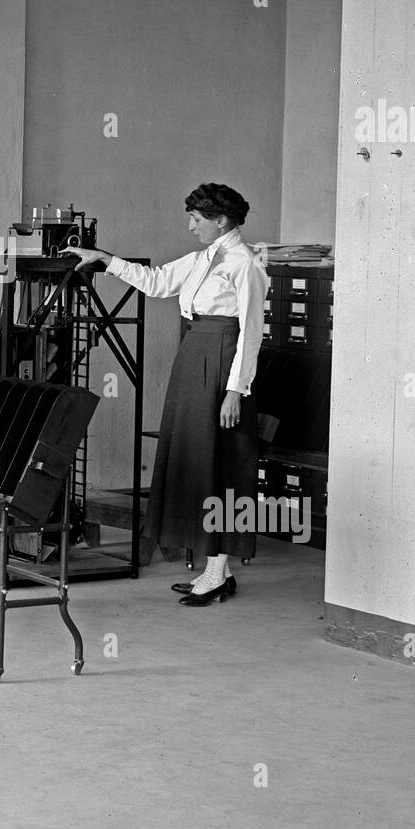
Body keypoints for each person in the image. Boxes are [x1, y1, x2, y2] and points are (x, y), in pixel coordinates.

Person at [62, 183, 269, 605]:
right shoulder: (200, 260)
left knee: (223, 465)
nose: (191, 226)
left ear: (221, 221)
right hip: (194, 357)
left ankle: (216, 570)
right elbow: (155, 283)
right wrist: (104, 260)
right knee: (196, 461)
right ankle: (218, 570)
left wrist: (235, 392)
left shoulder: (245, 265)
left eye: (197, 218)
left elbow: (251, 334)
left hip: (223, 364)